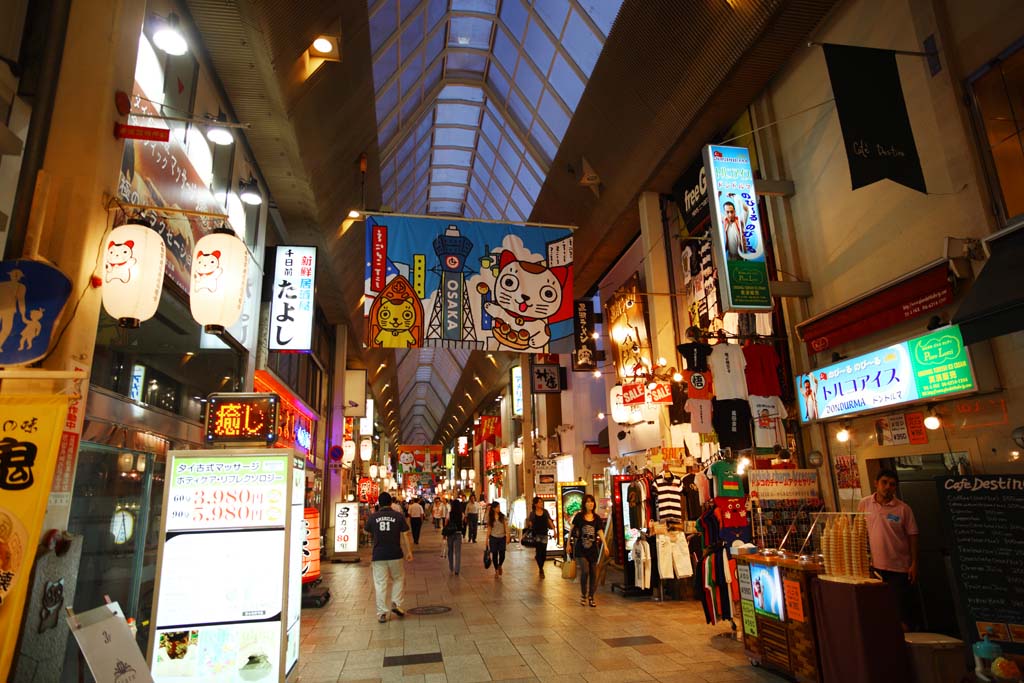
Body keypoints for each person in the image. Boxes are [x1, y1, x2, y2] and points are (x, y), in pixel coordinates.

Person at [857, 468, 919, 630]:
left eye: (892, 484)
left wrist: (914, 563)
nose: (887, 487)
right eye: (884, 482)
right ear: (876, 483)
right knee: (880, 609)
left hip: (899, 569)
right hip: (874, 568)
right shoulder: (865, 503)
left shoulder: (903, 509)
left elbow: (913, 536)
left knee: (901, 611)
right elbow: (859, 529)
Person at [364, 492, 413, 623]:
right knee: (398, 578)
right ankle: (396, 602)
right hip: (395, 553)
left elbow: (365, 531)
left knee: (380, 583)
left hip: (378, 555)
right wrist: (409, 552)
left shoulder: (373, 517)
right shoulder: (398, 516)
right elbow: (405, 535)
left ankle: (381, 613)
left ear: (379, 503)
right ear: (391, 502)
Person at [568, 493, 606, 607]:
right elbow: (571, 529)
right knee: (585, 571)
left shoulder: (597, 518)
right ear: (584, 504)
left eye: (592, 501)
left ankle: (591, 596)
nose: (590, 504)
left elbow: (600, 531)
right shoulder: (579, 516)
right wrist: (568, 544)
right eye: (588, 502)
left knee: (593, 573)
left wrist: (605, 545)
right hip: (580, 548)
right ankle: (583, 594)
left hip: (593, 549)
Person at [526, 496, 555, 578]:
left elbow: (549, 521)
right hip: (537, 535)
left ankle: (541, 566)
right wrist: (530, 524)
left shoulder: (545, 512)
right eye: (539, 502)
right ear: (535, 504)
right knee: (539, 552)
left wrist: (554, 530)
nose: (541, 503)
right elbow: (530, 523)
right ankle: (541, 568)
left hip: (544, 534)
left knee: (544, 553)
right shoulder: (533, 513)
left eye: (541, 502)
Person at [485, 501, 510, 578]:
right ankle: (496, 570)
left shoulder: (503, 517)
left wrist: (508, 536)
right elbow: (489, 528)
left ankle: (500, 565)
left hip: (502, 538)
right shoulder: (491, 518)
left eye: (499, 507)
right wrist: (486, 539)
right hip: (493, 538)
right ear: (493, 508)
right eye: (497, 507)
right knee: (495, 555)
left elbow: (506, 527)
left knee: (502, 555)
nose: (499, 508)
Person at [444, 494, 466, 575]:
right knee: (458, 552)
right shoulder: (462, 514)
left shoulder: (449, 514)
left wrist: (444, 534)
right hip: (458, 533)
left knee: (450, 550)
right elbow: (463, 522)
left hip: (450, 533)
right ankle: (457, 569)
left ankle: (451, 567)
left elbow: (446, 523)